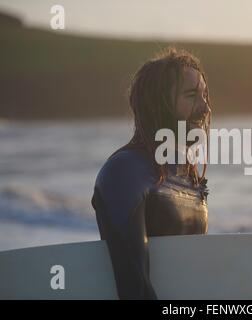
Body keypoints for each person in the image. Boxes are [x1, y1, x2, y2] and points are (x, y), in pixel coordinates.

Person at [91, 47, 212, 299]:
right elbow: (134, 286)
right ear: (158, 105)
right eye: (191, 96)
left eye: (205, 95)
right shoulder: (126, 172)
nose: (205, 108)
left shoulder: (190, 180)